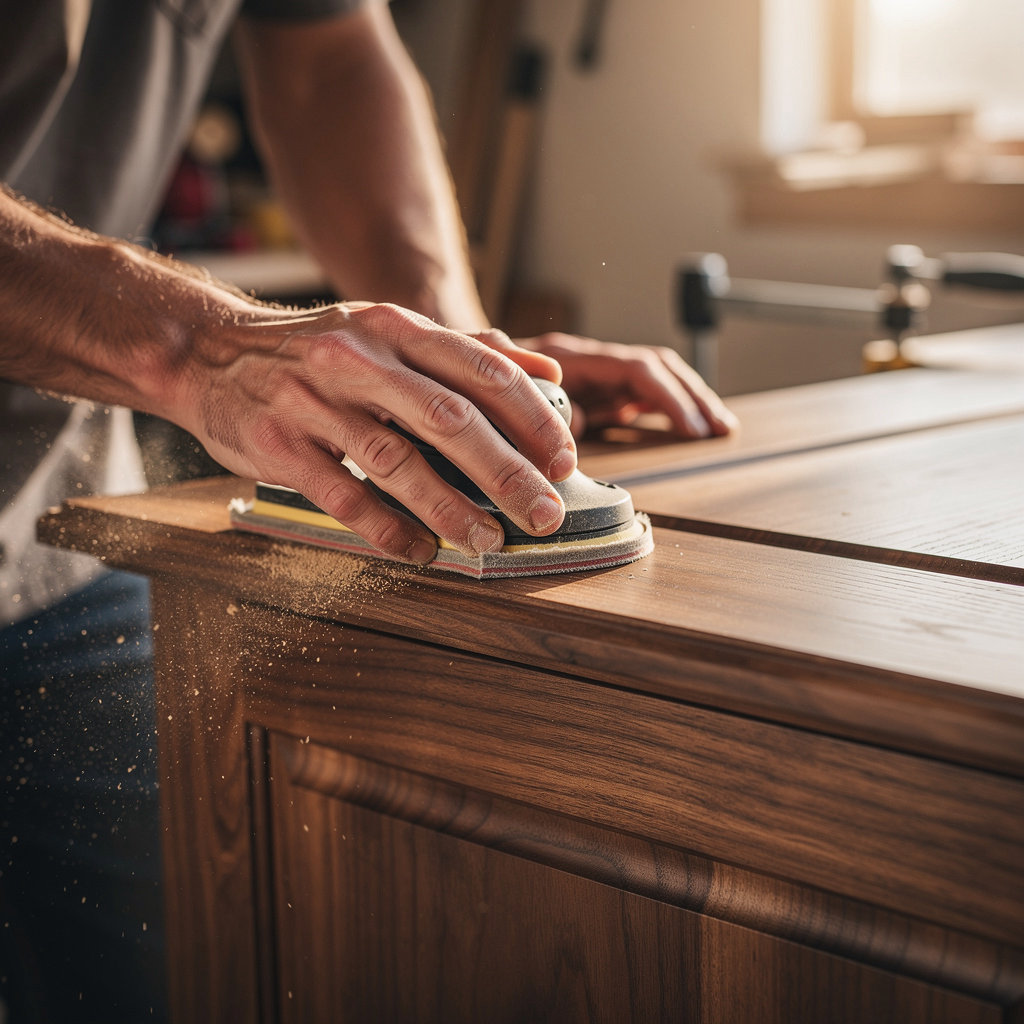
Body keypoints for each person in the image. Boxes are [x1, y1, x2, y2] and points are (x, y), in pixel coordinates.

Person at [0, 0, 736, 1019]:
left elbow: (327, 55)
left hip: (55, 534)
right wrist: (195, 346)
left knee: (197, 972)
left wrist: (452, 365)